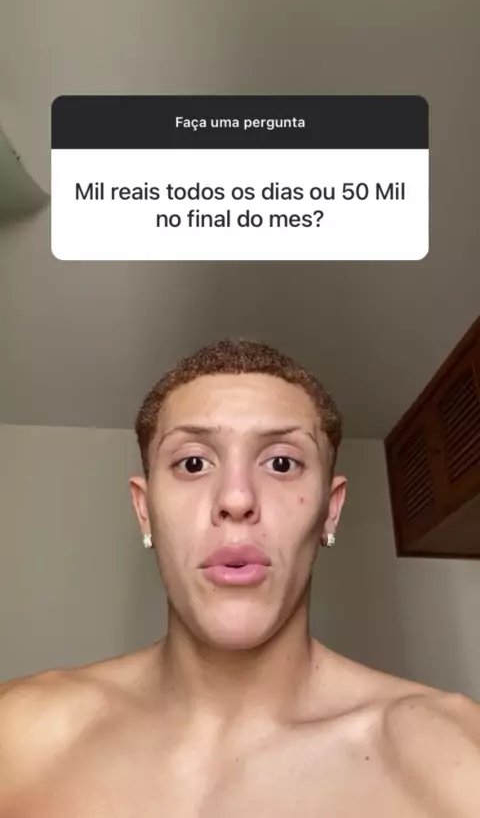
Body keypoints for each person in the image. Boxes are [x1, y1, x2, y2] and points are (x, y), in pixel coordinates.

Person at [1, 338, 479, 817]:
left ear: (330, 511)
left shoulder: (457, 760)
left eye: (281, 463)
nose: (236, 498)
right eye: (193, 463)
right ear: (145, 511)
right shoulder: (17, 735)